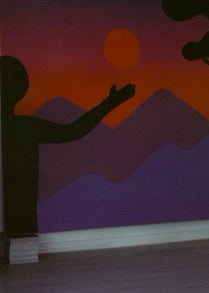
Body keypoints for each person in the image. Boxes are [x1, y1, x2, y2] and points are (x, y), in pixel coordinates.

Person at [1, 55, 136, 237]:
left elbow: (73, 131)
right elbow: (74, 131)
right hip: (22, 221)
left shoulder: (26, 127)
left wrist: (111, 102)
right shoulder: (27, 127)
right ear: (21, 89)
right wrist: (111, 102)